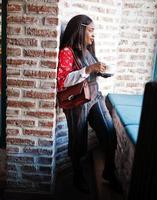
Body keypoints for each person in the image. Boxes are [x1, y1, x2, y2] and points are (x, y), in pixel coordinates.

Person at [57, 15, 120, 193]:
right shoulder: (67, 52)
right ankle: (77, 175)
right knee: (78, 140)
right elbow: (62, 81)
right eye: (91, 31)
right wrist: (89, 69)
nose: (93, 35)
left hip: (95, 96)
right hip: (78, 102)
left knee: (109, 131)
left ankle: (109, 171)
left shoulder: (88, 49)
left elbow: (91, 70)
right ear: (81, 29)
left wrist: (101, 71)